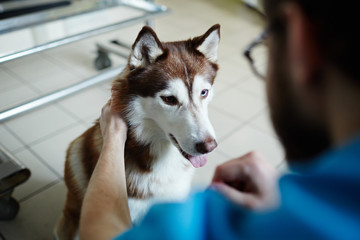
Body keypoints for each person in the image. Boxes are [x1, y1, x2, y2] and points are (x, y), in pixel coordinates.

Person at [79, 0, 360, 239]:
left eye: (204, 93)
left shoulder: (205, 225)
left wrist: (113, 136)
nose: (206, 136)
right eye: (170, 99)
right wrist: (281, 195)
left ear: (301, 40)